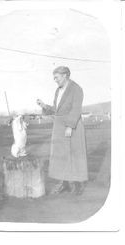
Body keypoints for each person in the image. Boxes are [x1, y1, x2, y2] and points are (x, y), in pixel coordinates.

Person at [37, 66, 88, 195]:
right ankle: (64, 184)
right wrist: (44, 106)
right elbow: (56, 109)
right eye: (54, 77)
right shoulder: (58, 91)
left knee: (75, 155)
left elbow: (76, 109)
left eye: (56, 77)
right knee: (61, 156)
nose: (55, 80)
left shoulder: (76, 89)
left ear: (65, 75)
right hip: (59, 127)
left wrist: (70, 126)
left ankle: (78, 185)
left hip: (73, 126)